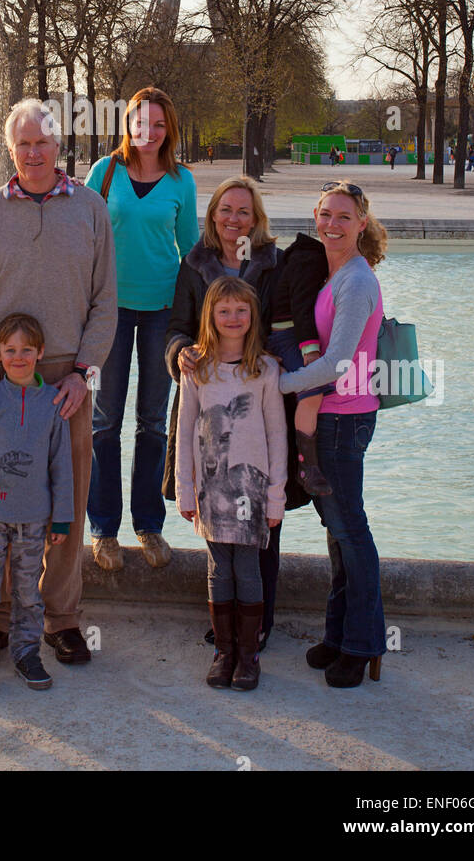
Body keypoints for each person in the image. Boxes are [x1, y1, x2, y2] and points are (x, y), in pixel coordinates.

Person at [0, 100, 117, 667]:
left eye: (41, 143)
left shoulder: (92, 210)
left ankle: (61, 616)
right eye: (22, 144)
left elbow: (105, 304)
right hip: (0, 375)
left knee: (65, 497)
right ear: (10, 149)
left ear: (58, 146)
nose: (32, 153)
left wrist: (83, 373)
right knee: (1, 494)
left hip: (66, 375)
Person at [163, 174, 305, 648]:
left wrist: (282, 354)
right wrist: (180, 350)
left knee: (262, 517)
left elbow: (287, 323)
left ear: (256, 218)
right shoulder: (194, 264)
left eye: (244, 211)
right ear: (213, 215)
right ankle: (225, 620)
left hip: (258, 398)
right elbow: (177, 327)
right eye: (226, 210)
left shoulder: (275, 264)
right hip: (207, 398)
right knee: (216, 515)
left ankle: (258, 624)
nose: (234, 219)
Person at [278, 180, 387, 688]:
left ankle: (363, 645)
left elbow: (337, 363)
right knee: (338, 535)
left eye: (344, 217)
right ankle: (339, 634)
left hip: (345, 417)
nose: (332, 225)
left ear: (361, 223)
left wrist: (276, 384)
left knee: (351, 533)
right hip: (332, 417)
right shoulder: (336, 273)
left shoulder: (357, 281)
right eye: (325, 215)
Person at [85, 87, 198, 571]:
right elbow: (81, 238)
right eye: (138, 122)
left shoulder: (181, 181)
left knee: (153, 422)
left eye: (157, 124)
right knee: (104, 422)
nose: (147, 132)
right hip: (108, 309)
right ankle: (104, 529)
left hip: (162, 311)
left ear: (168, 128)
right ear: (125, 123)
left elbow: (192, 251)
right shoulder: (103, 173)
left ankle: (149, 525)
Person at [176, 277, 287, 691]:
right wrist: (186, 489)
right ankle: (223, 652)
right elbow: (186, 430)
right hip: (209, 490)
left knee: (249, 568)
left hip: (253, 494)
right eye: (224, 311)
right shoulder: (197, 369)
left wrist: (276, 497)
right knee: (218, 569)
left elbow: (278, 435)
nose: (233, 318)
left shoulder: (265, 370)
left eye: (241, 310)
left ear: (253, 316)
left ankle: (249, 653)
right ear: (211, 316)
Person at [0, 313, 73, 699]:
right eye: (10, 350)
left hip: (34, 522)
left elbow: (61, 465)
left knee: (28, 594)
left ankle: (28, 654)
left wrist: (62, 519)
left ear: (40, 353)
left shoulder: (53, 404)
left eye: (27, 349)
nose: (19, 356)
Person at [265, 230, 331, 496]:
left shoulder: (307, 255)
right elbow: (302, 308)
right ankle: (307, 466)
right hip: (287, 335)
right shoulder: (311, 260)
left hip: (289, 333)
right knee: (311, 393)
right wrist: (311, 351)